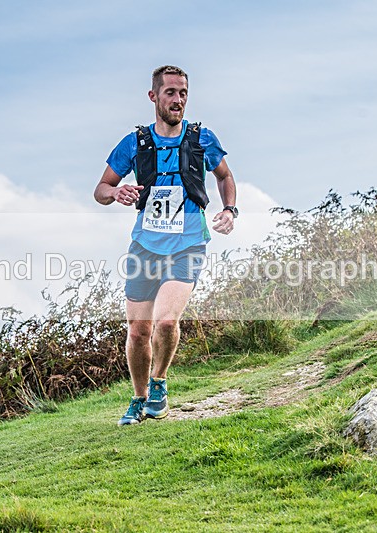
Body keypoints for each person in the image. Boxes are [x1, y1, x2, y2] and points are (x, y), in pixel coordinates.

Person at [94, 65, 238, 426]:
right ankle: (138, 398)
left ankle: (159, 382)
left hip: (188, 243)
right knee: (138, 331)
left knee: (167, 321)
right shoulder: (135, 143)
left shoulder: (202, 138)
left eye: (183, 93)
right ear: (153, 96)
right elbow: (101, 189)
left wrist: (230, 210)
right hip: (145, 246)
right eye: (170, 92)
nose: (178, 99)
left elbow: (224, 176)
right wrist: (116, 192)